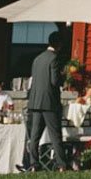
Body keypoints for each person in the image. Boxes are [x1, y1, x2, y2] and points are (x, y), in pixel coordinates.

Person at [23, 31, 64, 171]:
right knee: (55, 134)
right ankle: (61, 164)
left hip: (35, 101)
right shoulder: (54, 59)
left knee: (35, 135)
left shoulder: (37, 59)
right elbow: (54, 81)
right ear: (59, 44)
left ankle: (34, 164)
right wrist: (63, 77)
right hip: (49, 102)